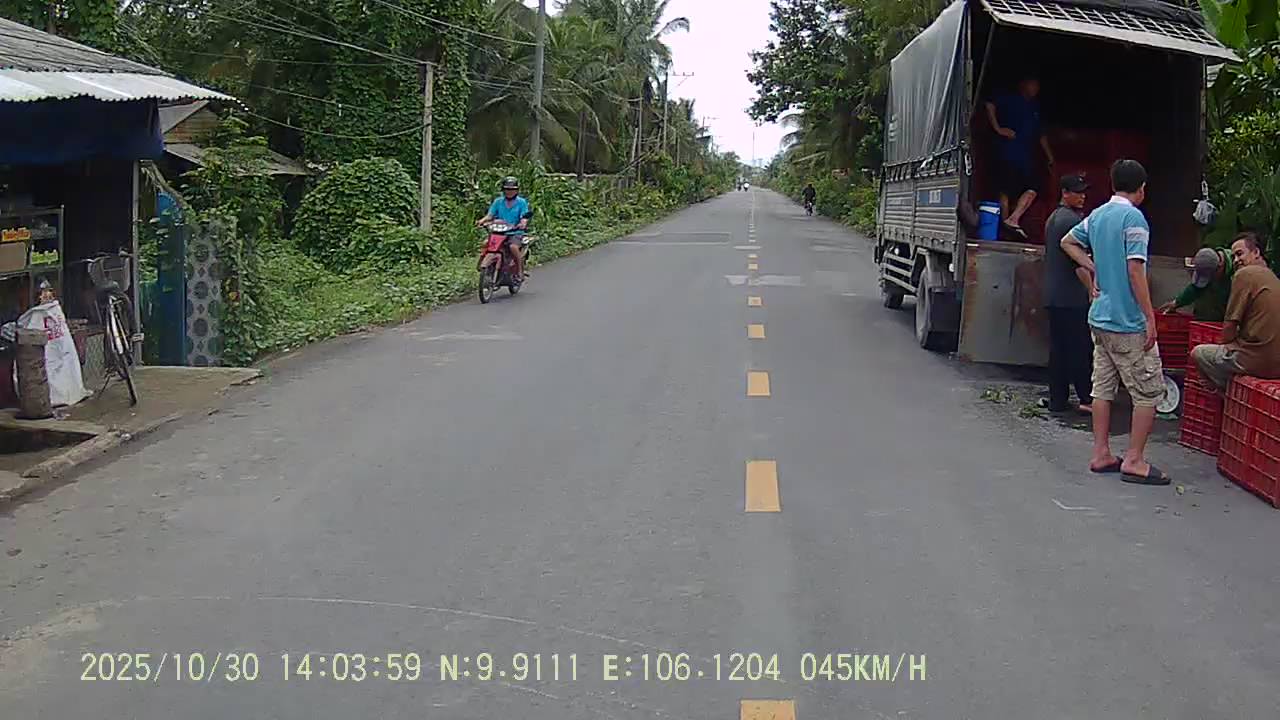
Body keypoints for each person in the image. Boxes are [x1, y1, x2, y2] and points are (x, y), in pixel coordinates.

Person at [1060, 159, 1169, 485]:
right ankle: (1134, 460)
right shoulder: (1134, 218)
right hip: (1126, 320)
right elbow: (1135, 269)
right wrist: (1149, 316)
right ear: (1142, 188)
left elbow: (1068, 241)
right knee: (1148, 391)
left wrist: (1093, 267)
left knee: (1103, 388)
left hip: (1100, 317)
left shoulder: (1097, 215)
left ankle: (1101, 453)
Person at [1190, 232, 1280, 392]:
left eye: (1240, 254)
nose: (1237, 260)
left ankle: (1225, 393)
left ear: (1256, 252)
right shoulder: (1274, 278)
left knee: (1198, 353)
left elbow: (1229, 325)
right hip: (1276, 364)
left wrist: (1228, 344)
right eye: (1233, 256)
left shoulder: (1244, 274)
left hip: (1255, 361)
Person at [1041, 174, 1095, 414]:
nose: (1082, 196)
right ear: (1065, 193)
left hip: (1054, 295)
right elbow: (1078, 264)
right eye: (1077, 192)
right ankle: (1086, 398)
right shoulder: (1072, 222)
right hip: (1071, 297)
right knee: (1079, 349)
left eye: (1083, 191)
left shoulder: (1054, 218)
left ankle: (1058, 400)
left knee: (1059, 350)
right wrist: (1092, 290)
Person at [984, 74, 1055, 238]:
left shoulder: (1035, 107)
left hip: (1025, 158)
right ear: (1023, 84)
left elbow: (1041, 134)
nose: (1035, 89)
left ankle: (1012, 220)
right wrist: (998, 128)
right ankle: (1003, 228)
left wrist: (1050, 157)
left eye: (1037, 86)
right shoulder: (1009, 99)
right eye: (1032, 84)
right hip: (1007, 153)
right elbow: (988, 104)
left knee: (1033, 188)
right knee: (1005, 190)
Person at [1159, 246, 1234, 320]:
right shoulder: (1209, 264)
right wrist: (1176, 303)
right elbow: (1196, 288)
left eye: (1208, 277)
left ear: (1219, 267)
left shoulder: (1235, 273)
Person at [476, 176, 530, 279]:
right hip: (498, 232)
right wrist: (481, 221)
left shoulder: (522, 202)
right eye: (507, 189)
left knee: (513, 247)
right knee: (485, 243)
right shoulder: (498, 201)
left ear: (516, 191)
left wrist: (522, 223)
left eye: (512, 190)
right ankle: (481, 264)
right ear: (503, 190)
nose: (509, 192)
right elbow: (490, 215)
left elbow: (524, 217)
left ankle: (520, 270)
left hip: (514, 232)